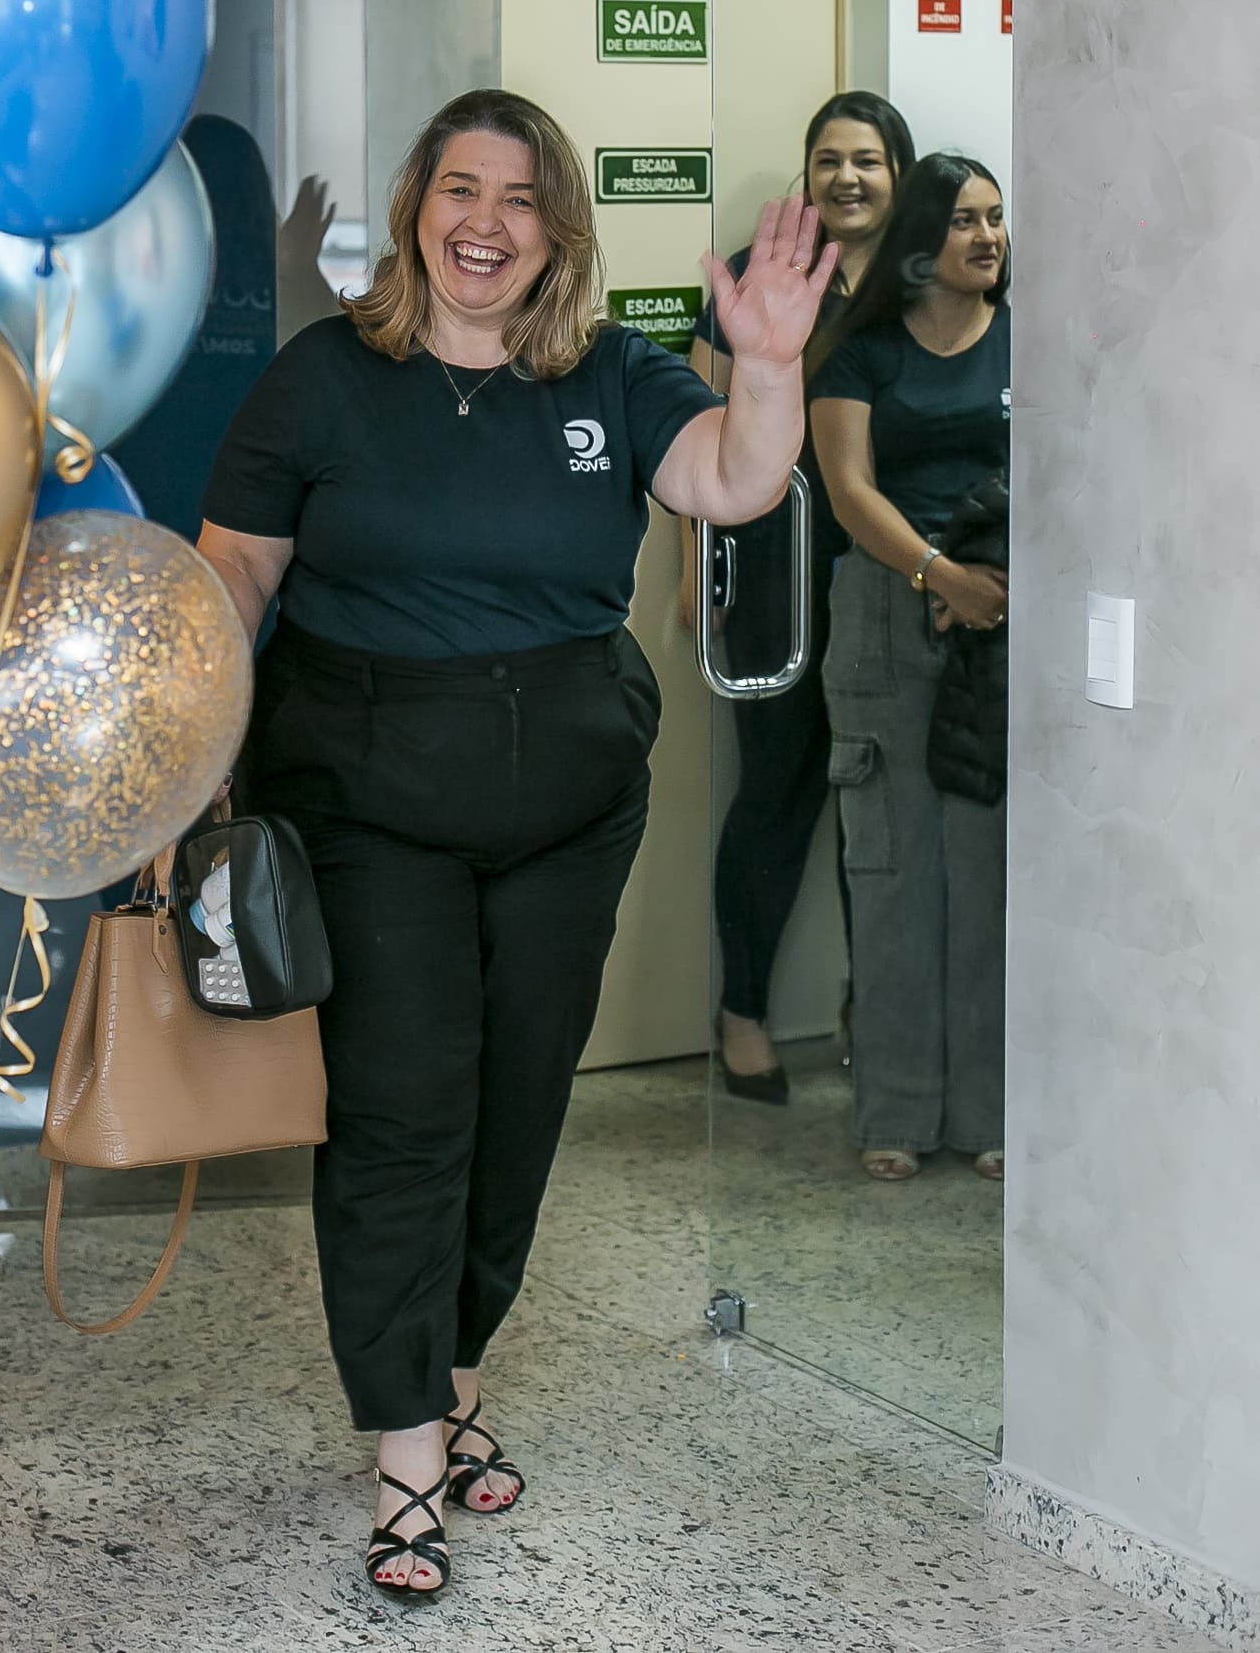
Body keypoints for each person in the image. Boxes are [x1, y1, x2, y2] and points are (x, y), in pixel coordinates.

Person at [197, 87, 836, 1598]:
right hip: (367, 797)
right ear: (416, 206)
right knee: (403, 1110)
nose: (484, 224)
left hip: (565, 801)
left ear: (556, 229)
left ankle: (454, 1366)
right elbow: (232, 577)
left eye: (519, 197)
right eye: (459, 190)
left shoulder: (613, 373)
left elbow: (735, 482)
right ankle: (407, 1450)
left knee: (519, 1105)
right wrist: (186, 757)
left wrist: (766, 365)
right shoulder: (322, 378)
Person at [685, 93, 916, 1101]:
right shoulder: (759, 272)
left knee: (885, 812)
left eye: (866, 159)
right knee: (775, 801)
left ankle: (878, 1008)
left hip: (890, 584)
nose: (845, 177)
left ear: (898, 171)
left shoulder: (925, 276)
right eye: (827, 159)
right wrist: (698, 574)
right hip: (774, 580)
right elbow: (697, 428)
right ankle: (741, 1012)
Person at [808, 154, 1011, 1184]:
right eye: (965, 221)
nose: (988, 237)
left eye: (995, 218)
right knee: (891, 870)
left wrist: (986, 582)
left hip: (1001, 615)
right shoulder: (861, 354)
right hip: (888, 615)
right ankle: (892, 1108)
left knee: (984, 874)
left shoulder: (1029, 340)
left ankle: (988, 1113)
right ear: (920, 245)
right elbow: (848, 490)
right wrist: (937, 573)